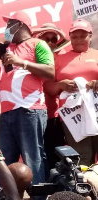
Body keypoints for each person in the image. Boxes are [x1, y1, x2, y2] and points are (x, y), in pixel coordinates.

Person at [0, 1, 55, 188]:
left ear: (21, 25)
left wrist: (22, 62)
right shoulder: (6, 49)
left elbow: (50, 71)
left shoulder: (38, 45)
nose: (6, 28)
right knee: (4, 158)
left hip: (30, 110)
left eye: (9, 24)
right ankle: (3, 194)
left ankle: (38, 195)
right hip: (8, 113)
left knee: (32, 156)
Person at [44, 19, 98, 166]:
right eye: (74, 37)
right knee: (82, 156)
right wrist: (60, 85)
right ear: (70, 38)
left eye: (83, 36)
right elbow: (47, 86)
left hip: (96, 111)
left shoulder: (96, 54)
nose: (79, 40)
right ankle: (85, 188)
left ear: (90, 36)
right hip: (73, 116)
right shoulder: (59, 60)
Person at [33, 23, 68, 170]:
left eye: (54, 39)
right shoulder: (29, 57)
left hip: (54, 114)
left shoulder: (61, 58)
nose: (50, 42)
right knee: (37, 154)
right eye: (46, 39)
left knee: (55, 154)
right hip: (32, 113)